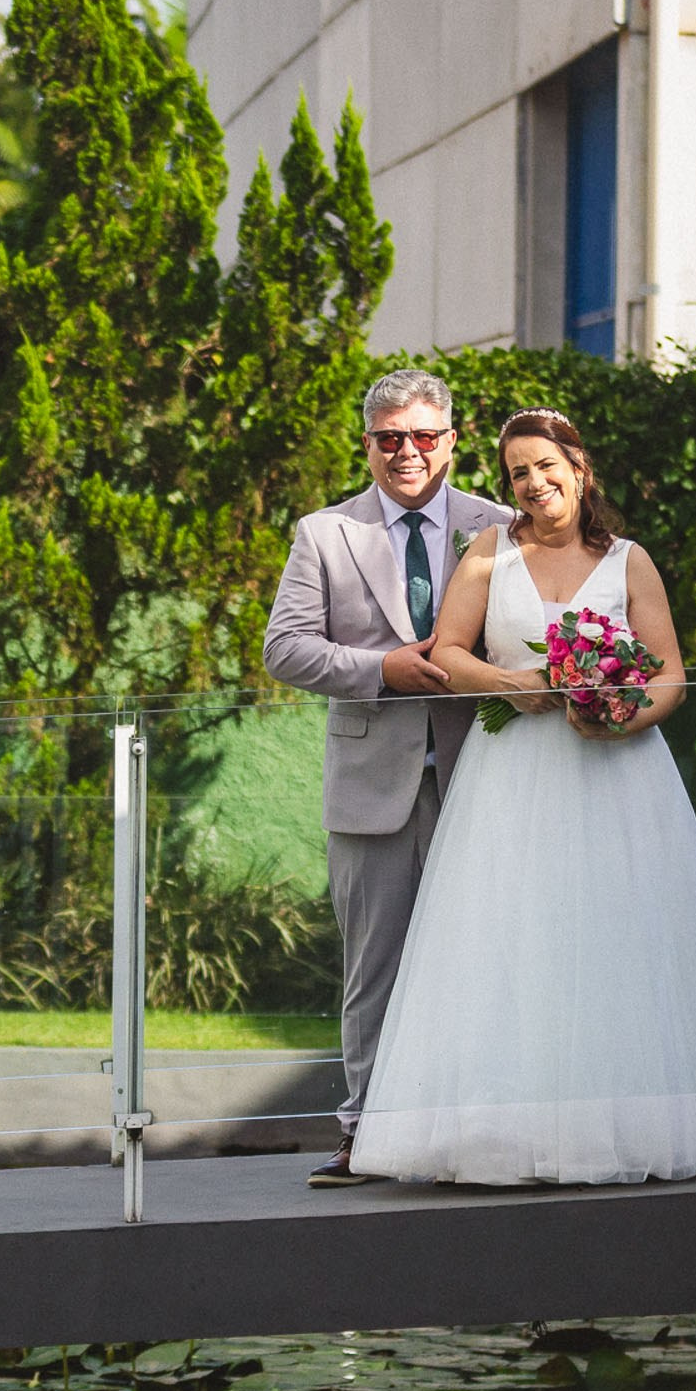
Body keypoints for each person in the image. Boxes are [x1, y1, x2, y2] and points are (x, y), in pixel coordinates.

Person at [348, 408, 696, 1185]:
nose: (535, 482)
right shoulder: (489, 552)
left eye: (546, 465)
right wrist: (508, 683)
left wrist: (625, 716)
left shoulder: (629, 561)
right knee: (513, 942)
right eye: (518, 472)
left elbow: (670, 672)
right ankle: (503, 1139)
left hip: (620, 774)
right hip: (512, 780)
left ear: (578, 467)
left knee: (620, 943)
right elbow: (447, 649)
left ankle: (626, 1131)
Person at [263, 368, 508, 1187]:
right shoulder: (325, 533)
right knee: (377, 968)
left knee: (489, 959)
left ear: (452, 441)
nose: (409, 453)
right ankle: (364, 1133)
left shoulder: (501, 526)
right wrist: (382, 669)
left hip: (492, 779)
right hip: (374, 790)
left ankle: (481, 1131)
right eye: (391, 439)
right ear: (367, 445)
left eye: (425, 437)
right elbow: (286, 649)